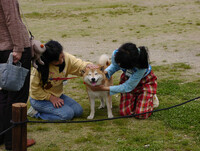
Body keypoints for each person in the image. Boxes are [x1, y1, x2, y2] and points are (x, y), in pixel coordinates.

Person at [27, 40, 96, 120]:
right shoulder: (39, 68)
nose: (62, 61)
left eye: (62, 56)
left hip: (58, 95)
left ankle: (49, 109)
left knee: (78, 111)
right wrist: (51, 98)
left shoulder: (66, 58)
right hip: (39, 100)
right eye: (57, 61)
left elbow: (78, 64)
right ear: (49, 61)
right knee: (67, 115)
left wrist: (88, 66)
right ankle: (36, 112)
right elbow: (34, 89)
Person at [86, 42, 157, 119]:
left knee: (141, 114)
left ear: (131, 64)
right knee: (125, 113)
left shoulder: (141, 66)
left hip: (145, 81)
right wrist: (105, 72)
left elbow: (127, 86)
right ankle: (138, 97)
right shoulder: (116, 54)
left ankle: (150, 98)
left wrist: (103, 88)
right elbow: (114, 66)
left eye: (121, 64)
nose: (119, 65)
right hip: (128, 77)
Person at [0, 0, 35, 150]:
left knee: (4, 95)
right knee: (17, 96)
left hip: (3, 47)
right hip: (13, 48)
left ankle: (4, 135)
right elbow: (12, 18)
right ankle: (14, 140)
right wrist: (19, 47)